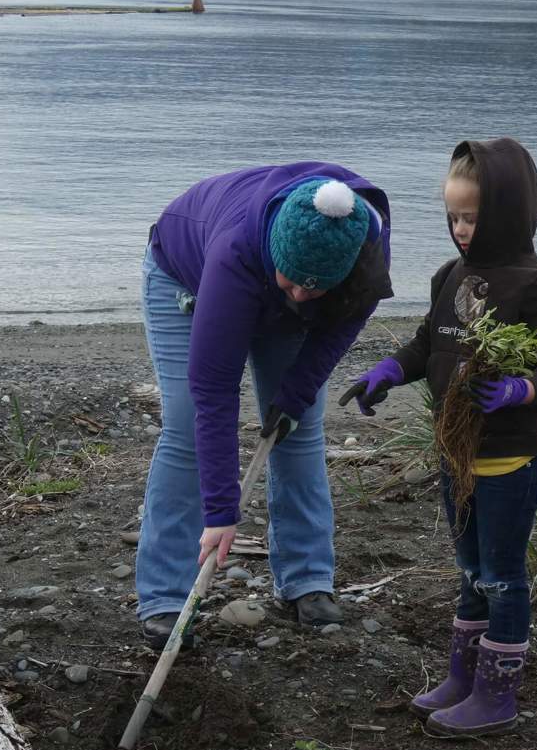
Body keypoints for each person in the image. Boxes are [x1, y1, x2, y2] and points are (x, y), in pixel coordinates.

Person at [339, 139, 537, 737]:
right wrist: (387, 372)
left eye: (473, 216)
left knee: (501, 572)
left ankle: (498, 695)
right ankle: (462, 676)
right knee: (468, 567)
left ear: (509, 211)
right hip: (457, 451)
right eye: (453, 216)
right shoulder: (452, 275)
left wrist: (520, 391)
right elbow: (428, 345)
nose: (462, 229)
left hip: (511, 457)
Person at [137, 163, 392, 651]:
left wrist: (295, 393)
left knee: (298, 425)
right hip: (184, 277)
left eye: (312, 288)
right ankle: (166, 600)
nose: (299, 294)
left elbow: (339, 326)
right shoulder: (235, 252)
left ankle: (307, 579)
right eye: (293, 281)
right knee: (189, 427)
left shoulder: (363, 255)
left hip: (288, 289)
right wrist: (221, 512)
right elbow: (213, 390)